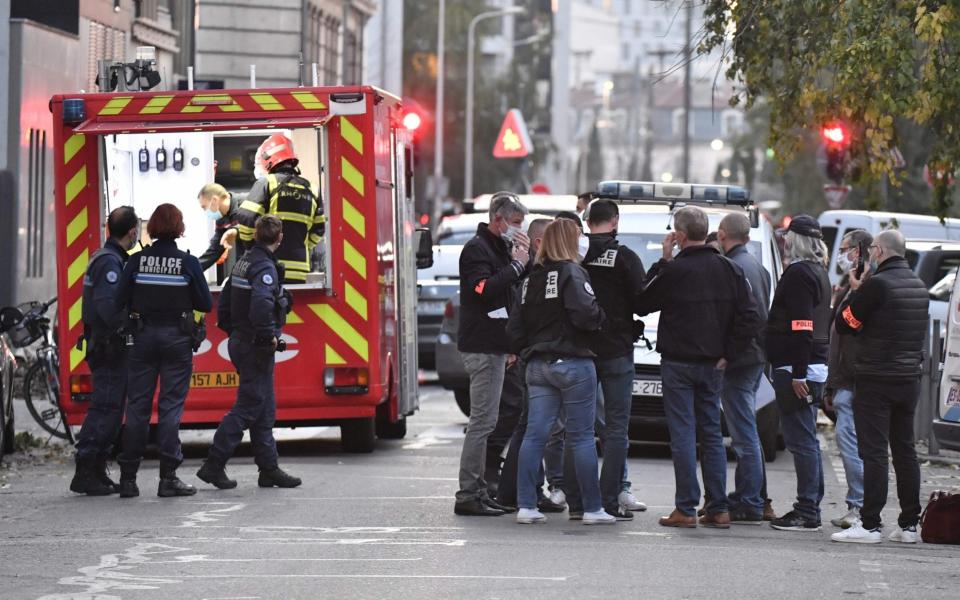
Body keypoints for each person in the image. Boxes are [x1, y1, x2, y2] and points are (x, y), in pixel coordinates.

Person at [636, 206, 762, 528]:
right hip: (713, 364)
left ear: (678, 235)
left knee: (682, 435)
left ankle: (686, 508)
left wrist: (663, 260)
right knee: (711, 435)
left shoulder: (675, 271)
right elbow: (751, 316)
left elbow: (642, 303)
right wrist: (729, 353)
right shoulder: (729, 269)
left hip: (678, 363)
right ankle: (718, 507)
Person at [507, 218, 613, 525]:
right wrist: (600, 320)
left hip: (537, 365)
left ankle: (526, 505)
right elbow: (586, 314)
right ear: (569, 241)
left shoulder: (529, 280)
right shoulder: (572, 272)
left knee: (534, 435)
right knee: (580, 437)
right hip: (573, 362)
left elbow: (514, 328)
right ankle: (592, 508)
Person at [831, 229, 928, 544]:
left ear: (882, 251)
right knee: (905, 450)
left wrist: (857, 291)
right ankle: (910, 524)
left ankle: (870, 524)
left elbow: (847, 323)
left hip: (875, 378)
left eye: (873, 249)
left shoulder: (877, 285)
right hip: (908, 378)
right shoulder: (919, 285)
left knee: (873, 452)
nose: (870, 253)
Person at [115, 203, 213, 498]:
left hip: (142, 338)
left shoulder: (135, 261)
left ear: (153, 227)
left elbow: (120, 298)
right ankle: (168, 478)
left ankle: (128, 479)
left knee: (138, 408)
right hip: (176, 339)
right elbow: (205, 304)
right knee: (170, 407)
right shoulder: (188, 263)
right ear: (179, 228)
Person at [196, 215, 301, 490]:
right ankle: (213, 465)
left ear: (255, 235)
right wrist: (267, 337)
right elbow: (261, 305)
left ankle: (269, 469)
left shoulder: (243, 262)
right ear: (279, 238)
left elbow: (227, 300)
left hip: (243, 341)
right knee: (248, 407)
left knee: (264, 408)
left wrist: (235, 332)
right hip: (255, 345)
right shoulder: (264, 267)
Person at [563, 199, 647, 520]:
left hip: (580, 350)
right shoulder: (624, 257)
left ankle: (576, 501)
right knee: (616, 430)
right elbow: (642, 301)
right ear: (615, 221)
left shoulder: (576, 256)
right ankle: (609, 501)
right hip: (617, 350)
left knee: (578, 428)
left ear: (586, 221)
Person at [454, 192, 529, 516]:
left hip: (495, 344)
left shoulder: (497, 247)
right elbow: (482, 289)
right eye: (515, 223)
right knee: (482, 422)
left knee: (488, 420)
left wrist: (520, 263)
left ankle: (480, 490)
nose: (518, 229)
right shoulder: (477, 249)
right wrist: (516, 265)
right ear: (498, 219)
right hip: (482, 345)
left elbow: (508, 289)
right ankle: (468, 493)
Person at [766, 215, 831, 532]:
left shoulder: (798, 274)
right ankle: (811, 504)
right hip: (812, 365)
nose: (784, 241)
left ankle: (807, 509)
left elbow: (802, 326)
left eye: (787, 236)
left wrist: (798, 374)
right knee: (807, 440)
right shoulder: (819, 272)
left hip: (797, 366)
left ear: (796, 240)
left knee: (800, 441)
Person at [495, 218, 565, 512]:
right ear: (542, 242)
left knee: (529, 428)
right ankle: (523, 493)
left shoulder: (531, 274)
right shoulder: (539, 275)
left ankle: (518, 492)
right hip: (539, 358)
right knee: (534, 429)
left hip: (529, 356)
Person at [70, 206, 140, 496]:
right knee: (106, 409)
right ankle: (86, 469)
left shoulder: (109, 258)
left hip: (107, 346)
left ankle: (96, 470)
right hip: (108, 348)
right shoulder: (110, 263)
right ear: (133, 232)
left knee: (110, 409)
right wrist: (132, 323)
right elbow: (109, 309)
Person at [715, 213, 772, 524]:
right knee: (747, 430)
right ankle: (751, 495)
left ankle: (749, 499)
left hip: (741, 359)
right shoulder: (757, 267)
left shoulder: (735, 267)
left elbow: (746, 318)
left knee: (743, 434)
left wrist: (728, 353)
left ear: (723, 235)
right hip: (754, 356)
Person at [824, 229, 872, 529]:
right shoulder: (852, 286)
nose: (841, 255)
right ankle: (860, 506)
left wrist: (854, 293)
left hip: (852, 380)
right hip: (846, 378)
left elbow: (849, 327)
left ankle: (860, 508)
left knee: (852, 443)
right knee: (853, 443)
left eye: (845, 249)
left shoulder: (866, 289)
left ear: (859, 251)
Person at [235, 134, 325, 283]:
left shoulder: (267, 183)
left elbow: (245, 217)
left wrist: (252, 246)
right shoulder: (312, 189)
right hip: (300, 270)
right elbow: (319, 229)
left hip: (268, 266)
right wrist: (302, 246)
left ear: (268, 160)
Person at [197, 183, 240, 274]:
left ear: (214, 200)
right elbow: (215, 250)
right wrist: (192, 268)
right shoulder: (222, 218)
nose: (205, 211)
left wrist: (236, 230)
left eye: (204, 207)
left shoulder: (247, 204)